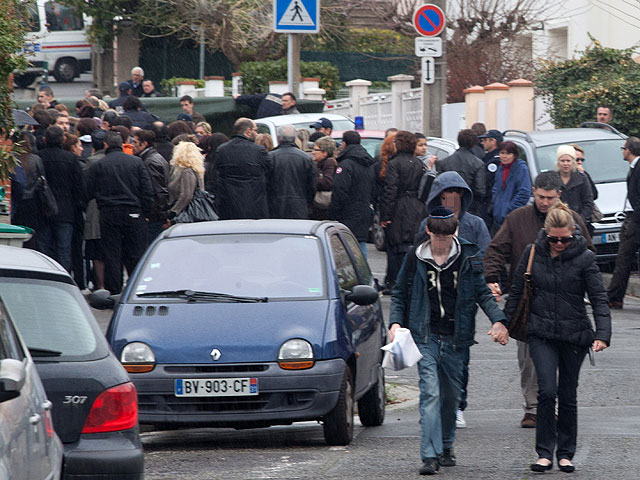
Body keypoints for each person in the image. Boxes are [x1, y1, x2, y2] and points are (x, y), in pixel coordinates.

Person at [388, 206, 508, 476]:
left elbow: (482, 292)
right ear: (428, 231)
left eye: (447, 236)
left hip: (457, 337)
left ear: (455, 232)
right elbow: (399, 293)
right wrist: (395, 322)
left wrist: (498, 320)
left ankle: (446, 445)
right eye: (436, 236)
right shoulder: (415, 256)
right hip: (425, 335)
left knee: (451, 397)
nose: (441, 242)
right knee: (430, 393)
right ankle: (429, 456)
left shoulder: (468, 255)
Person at [505, 203, 610, 474]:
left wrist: (603, 334)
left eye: (565, 239)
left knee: (567, 394)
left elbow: (599, 297)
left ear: (574, 233)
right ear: (545, 233)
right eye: (554, 239)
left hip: (574, 335)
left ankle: (565, 453)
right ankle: (543, 453)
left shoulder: (585, 258)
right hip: (541, 333)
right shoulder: (532, 253)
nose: (560, 243)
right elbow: (516, 293)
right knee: (547, 391)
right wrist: (502, 324)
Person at [483, 171, 593, 428]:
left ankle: (552, 403)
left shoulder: (573, 220)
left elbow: (588, 252)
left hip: (565, 301)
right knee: (529, 359)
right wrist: (492, 277)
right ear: (533, 192)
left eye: (550, 198)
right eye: (541, 197)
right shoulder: (518, 218)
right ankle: (533, 407)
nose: (544, 202)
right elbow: (496, 249)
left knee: (561, 358)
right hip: (528, 301)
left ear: (559, 196)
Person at [422, 171, 491, 429]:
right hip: (433, 298)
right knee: (431, 353)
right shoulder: (426, 225)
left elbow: (485, 254)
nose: (449, 199)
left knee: (459, 353)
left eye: (454, 194)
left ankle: (458, 403)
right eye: (444, 195)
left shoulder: (475, 225)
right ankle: (434, 402)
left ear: (462, 195)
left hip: (463, 300)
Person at [86, 131, 154, 295]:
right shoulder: (136, 162)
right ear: (123, 144)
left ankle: (115, 291)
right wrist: (146, 212)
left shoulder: (99, 165)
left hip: (109, 213)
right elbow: (147, 190)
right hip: (133, 212)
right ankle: (136, 289)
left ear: (106, 145)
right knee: (136, 254)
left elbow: (88, 192)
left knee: (112, 254)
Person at [380, 131, 427, 291]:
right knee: (412, 243)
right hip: (417, 207)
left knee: (395, 245)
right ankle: (411, 279)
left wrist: (385, 215)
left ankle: (396, 281)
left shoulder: (395, 164)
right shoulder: (419, 163)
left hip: (399, 208)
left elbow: (390, 190)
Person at [37, 126, 85, 272]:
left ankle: (44, 274)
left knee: (43, 248)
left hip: (43, 209)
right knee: (64, 248)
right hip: (66, 210)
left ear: (45, 139)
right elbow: (79, 187)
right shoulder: (71, 159)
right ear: (63, 140)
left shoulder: (39, 157)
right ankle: (62, 276)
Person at [328, 130, 376, 258]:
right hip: (365, 209)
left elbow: (339, 190)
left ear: (344, 144)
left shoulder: (345, 165)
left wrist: (334, 211)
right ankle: (364, 275)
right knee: (360, 243)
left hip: (348, 212)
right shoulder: (369, 164)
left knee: (346, 246)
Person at [214, 117, 271, 219]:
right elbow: (269, 171)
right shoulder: (259, 150)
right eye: (255, 130)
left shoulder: (222, 150)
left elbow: (217, 173)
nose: (257, 134)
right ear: (248, 131)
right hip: (254, 203)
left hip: (228, 203)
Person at [607, 136, 640, 309]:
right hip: (632, 218)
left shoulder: (638, 168)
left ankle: (614, 297)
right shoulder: (634, 168)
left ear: (628, 150)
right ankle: (615, 296)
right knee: (623, 259)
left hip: (635, 219)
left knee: (623, 259)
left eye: (623, 148)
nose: (622, 151)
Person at [267, 125, 315, 219]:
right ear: (294, 138)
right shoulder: (306, 158)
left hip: (275, 205)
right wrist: (308, 203)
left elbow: (265, 183)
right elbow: (311, 186)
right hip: (299, 206)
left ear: (278, 138)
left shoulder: (270, 157)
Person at [132, 130, 170, 244]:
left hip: (154, 217)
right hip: (158, 214)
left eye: (135, 142)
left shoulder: (149, 162)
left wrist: (152, 214)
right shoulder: (156, 157)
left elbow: (158, 190)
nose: (133, 145)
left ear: (144, 144)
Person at [435, 129, 485, 214]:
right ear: (474, 143)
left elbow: (438, 186)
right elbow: (480, 190)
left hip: (448, 203)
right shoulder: (478, 164)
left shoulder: (444, 162)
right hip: (470, 205)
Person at [10, 131, 45, 250]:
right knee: (31, 236)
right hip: (32, 202)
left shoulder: (12, 159)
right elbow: (42, 178)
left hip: (18, 201)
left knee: (16, 233)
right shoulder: (36, 159)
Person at [490, 140, 531, 234]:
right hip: (498, 219)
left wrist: (509, 210)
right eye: (502, 153)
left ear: (514, 155)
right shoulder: (501, 168)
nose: (504, 156)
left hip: (513, 219)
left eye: (508, 153)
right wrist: (495, 205)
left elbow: (524, 192)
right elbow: (496, 189)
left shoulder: (521, 168)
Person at [83, 129, 107, 291]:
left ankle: (100, 285)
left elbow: (86, 188)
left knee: (97, 251)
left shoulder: (92, 162)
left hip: (95, 208)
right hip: (111, 209)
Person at [167, 141, 205, 222]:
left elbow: (186, 195)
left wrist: (172, 212)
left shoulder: (187, 172)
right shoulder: (196, 170)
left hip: (184, 215)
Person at [555, 145, 593, 224]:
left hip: (580, 222)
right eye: (562, 161)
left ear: (573, 161)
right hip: (558, 222)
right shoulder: (552, 178)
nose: (565, 164)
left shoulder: (582, 178)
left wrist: (580, 220)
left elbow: (588, 202)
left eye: (568, 161)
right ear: (558, 162)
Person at [477, 129, 502, 229]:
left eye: (485, 140)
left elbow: (487, 182)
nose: (482, 142)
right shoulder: (488, 157)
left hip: (489, 204)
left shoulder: (495, 160)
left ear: (493, 141)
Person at [309, 135, 337, 220]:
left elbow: (327, 182)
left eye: (316, 150)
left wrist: (310, 180)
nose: (313, 152)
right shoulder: (320, 163)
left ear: (325, 153)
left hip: (324, 208)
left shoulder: (329, 163)